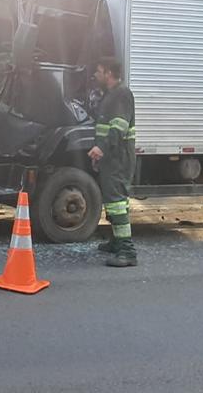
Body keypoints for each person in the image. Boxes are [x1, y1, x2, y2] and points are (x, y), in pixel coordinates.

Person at [88, 57, 138, 267]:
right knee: (115, 201)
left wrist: (102, 148)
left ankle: (127, 251)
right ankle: (117, 242)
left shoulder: (121, 94)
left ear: (108, 73)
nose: (96, 75)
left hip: (117, 158)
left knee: (116, 202)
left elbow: (119, 127)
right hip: (112, 158)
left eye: (99, 71)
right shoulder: (112, 95)